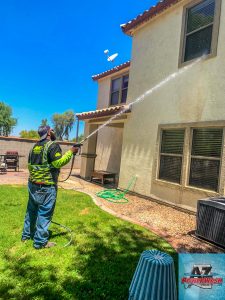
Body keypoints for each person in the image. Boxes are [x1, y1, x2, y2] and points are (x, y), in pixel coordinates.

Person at [21, 125, 78, 249]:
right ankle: (40, 242)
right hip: (46, 187)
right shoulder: (52, 145)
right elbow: (58, 163)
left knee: (31, 211)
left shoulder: (34, 147)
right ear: (48, 132)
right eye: (51, 130)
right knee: (44, 214)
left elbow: (31, 165)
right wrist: (71, 152)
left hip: (32, 184)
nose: (53, 131)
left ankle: (26, 236)